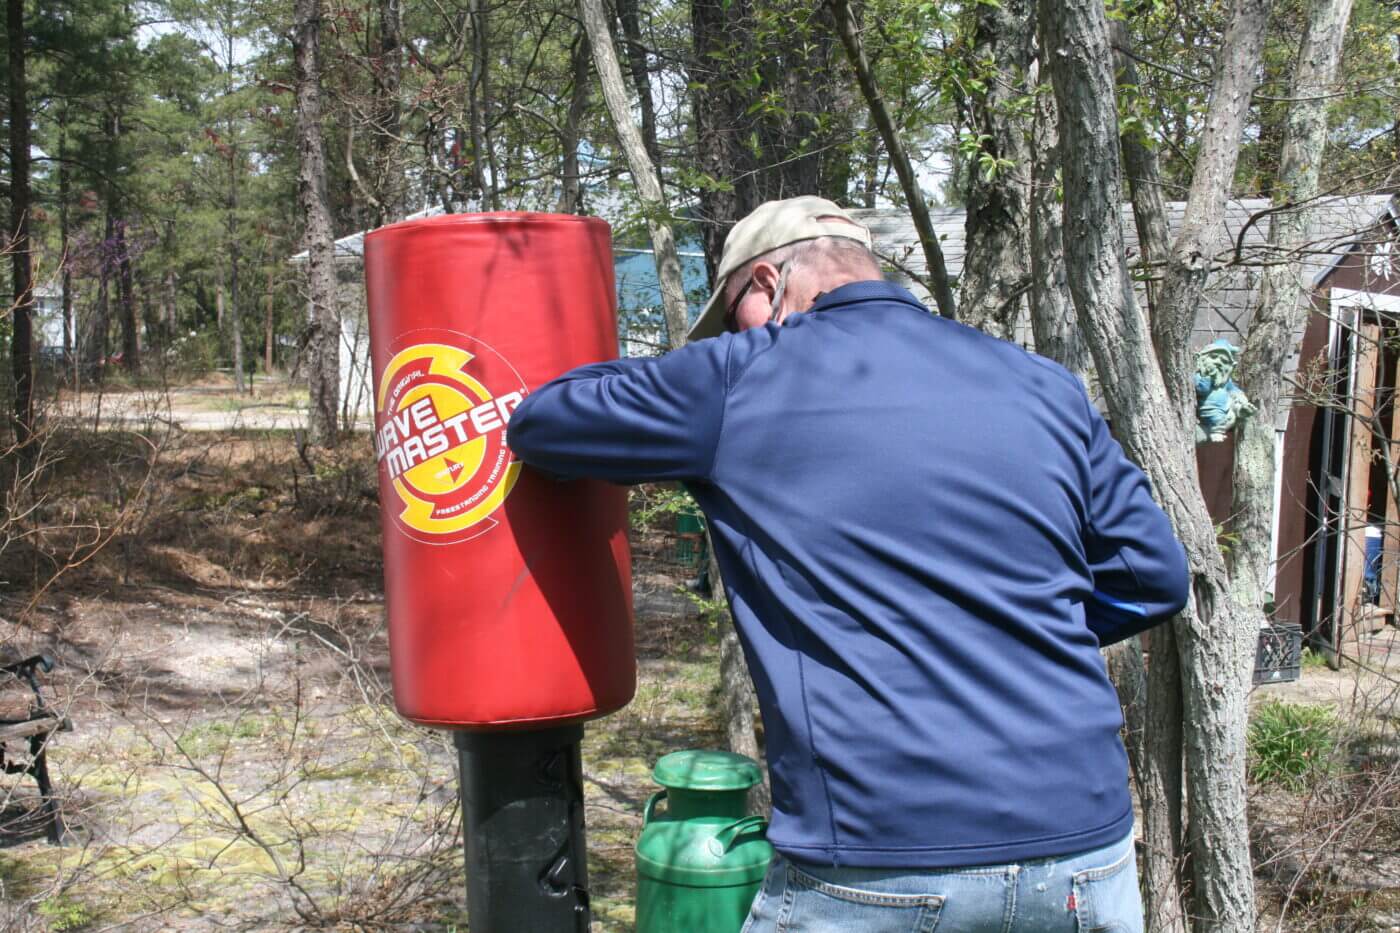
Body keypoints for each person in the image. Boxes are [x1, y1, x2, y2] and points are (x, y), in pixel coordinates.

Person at [506, 195, 1188, 932]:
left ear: (765, 282)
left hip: (882, 858)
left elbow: (544, 420)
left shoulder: (745, 376)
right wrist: (1002, 624)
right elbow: (1152, 574)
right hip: (1087, 857)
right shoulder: (1040, 382)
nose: (735, 331)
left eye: (734, 309)